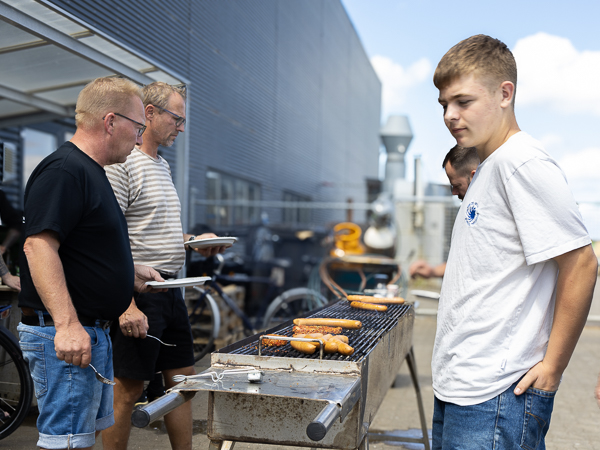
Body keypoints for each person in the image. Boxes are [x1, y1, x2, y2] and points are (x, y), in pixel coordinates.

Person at [431, 35, 597, 449]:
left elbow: (582, 263)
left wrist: (552, 368)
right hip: (462, 387)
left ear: (505, 93)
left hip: (497, 396)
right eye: (443, 105)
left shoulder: (522, 162)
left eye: (462, 102)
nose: (450, 115)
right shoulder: (490, 166)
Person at [17, 77, 165, 450]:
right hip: (66, 334)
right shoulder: (65, 170)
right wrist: (67, 325)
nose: (138, 138)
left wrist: (128, 274)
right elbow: (38, 247)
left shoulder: (92, 171)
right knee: (66, 441)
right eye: (138, 127)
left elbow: (81, 250)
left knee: (82, 438)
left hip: (91, 333)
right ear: (110, 121)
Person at [102, 82, 225, 450]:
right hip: (141, 293)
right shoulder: (123, 165)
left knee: (183, 384)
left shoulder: (162, 165)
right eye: (177, 118)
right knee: (128, 389)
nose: (181, 128)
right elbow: (110, 238)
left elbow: (151, 226)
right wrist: (126, 304)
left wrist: (193, 243)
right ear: (150, 113)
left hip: (173, 291)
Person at [409, 145, 479, 279]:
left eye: (457, 186)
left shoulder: (492, 209)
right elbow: (464, 262)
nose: (453, 192)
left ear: (474, 176)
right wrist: (433, 271)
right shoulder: (469, 209)